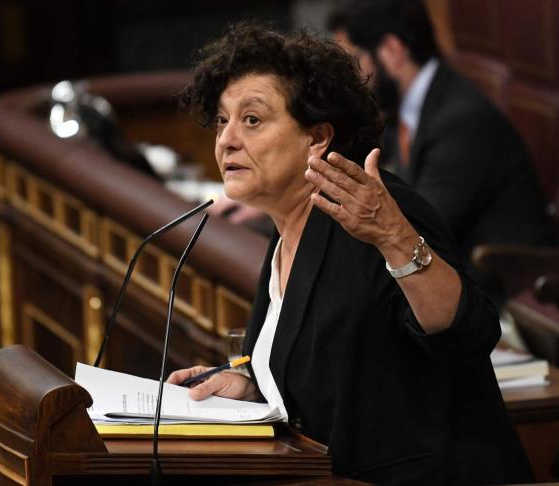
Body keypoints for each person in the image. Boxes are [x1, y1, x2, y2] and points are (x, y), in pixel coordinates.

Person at [167, 23, 533, 484]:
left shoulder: (380, 213)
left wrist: (394, 237)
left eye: (252, 120)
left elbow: (468, 335)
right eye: (223, 121)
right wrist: (249, 389)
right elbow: (332, 379)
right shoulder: (288, 234)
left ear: (317, 138)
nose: (227, 140)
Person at [343, 0, 558, 302]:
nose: (359, 74)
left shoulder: (461, 121)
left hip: (505, 293)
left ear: (391, 51)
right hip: (452, 277)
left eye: (359, 57)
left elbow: (420, 226)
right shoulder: (407, 109)